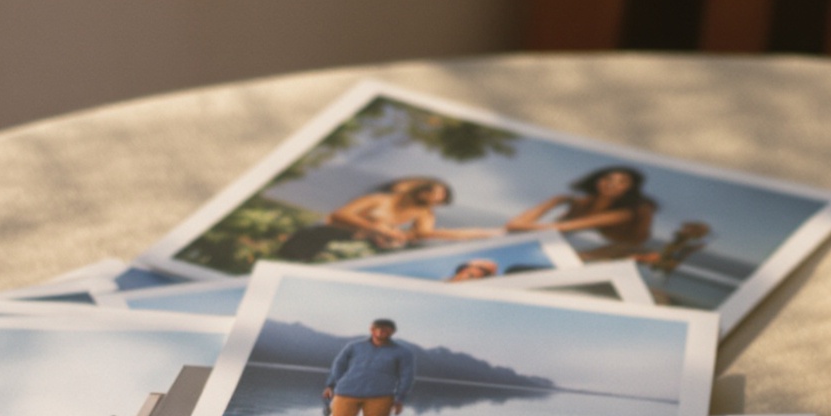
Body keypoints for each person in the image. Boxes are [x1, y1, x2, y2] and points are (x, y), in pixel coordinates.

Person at [273, 177, 498, 262]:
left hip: (360, 245)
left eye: (441, 199)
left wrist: (475, 233)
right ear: (422, 190)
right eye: (434, 194)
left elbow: (425, 233)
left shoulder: (423, 214)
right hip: (326, 234)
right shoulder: (379, 199)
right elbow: (341, 214)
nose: (435, 201)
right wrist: (378, 228)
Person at [503, 164, 659, 259]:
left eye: (621, 182)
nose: (612, 184)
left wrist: (517, 226)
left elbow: (560, 228)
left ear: (629, 188)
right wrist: (552, 202)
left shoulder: (625, 213)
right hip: (587, 250)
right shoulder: (583, 203)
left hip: (619, 253)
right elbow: (519, 226)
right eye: (608, 179)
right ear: (598, 180)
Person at [319, 317, 418, 416]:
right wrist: (331, 385)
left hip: (381, 395)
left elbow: (407, 376)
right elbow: (339, 365)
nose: (382, 331)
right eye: (379, 328)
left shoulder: (403, 352)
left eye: (387, 329)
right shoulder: (354, 346)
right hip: (346, 391)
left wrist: (399, 398)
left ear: (392, 332)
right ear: (372, 329)